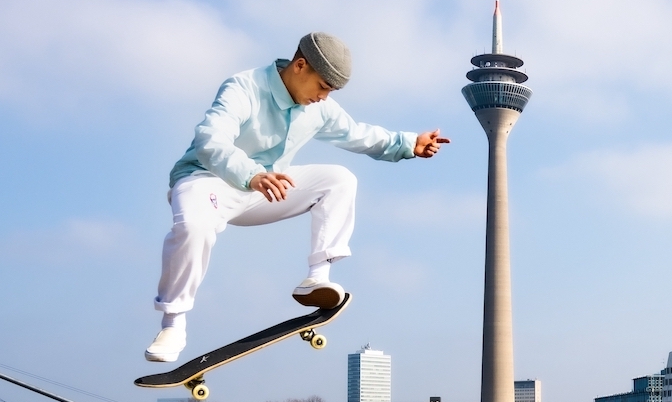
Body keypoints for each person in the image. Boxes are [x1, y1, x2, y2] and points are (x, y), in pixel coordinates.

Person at [145, 32, 448, 362]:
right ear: (300, 65)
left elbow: (357, 134)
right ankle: (173, 323)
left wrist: (407, 144)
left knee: (339, 179)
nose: (324, 97)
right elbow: (211, 139)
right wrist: (250, 174)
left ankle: (316, 279)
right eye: (322, 87)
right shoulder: (245, 87)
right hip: (208, 180)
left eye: (331, 92)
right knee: (193, 227)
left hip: (266, 190)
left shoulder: (320, 109)